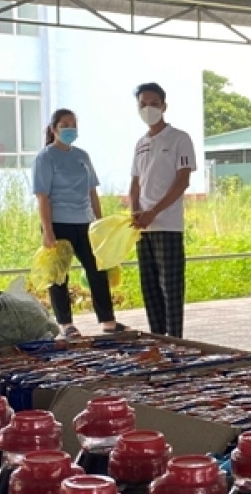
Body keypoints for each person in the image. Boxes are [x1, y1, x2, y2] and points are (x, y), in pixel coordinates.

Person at [32, 109, 126, 339]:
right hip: (58, 223)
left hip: (85, 222)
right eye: (64, 125)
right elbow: (42, 197)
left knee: (97, 271)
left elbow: (92, 191)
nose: (69, 129)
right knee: (59, 276)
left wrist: (99, 223)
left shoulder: (82, 156)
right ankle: (65, 324)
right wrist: (48, 230)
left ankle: (108, 321)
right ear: (54, 129)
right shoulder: (45, 157)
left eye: (73, 125)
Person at [130, 83, 197, 337]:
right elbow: (135, 182)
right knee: (150, 288)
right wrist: (136, 212)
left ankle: (175, 342)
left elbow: (182, 181)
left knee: (170, 288)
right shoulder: (140, 144)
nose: (148, 109)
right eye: (143, 104)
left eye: (154, 103)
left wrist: (154, 212)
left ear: (164, 106)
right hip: (143, 227)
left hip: (167, 224)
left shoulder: (180, 138)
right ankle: (157, 340)